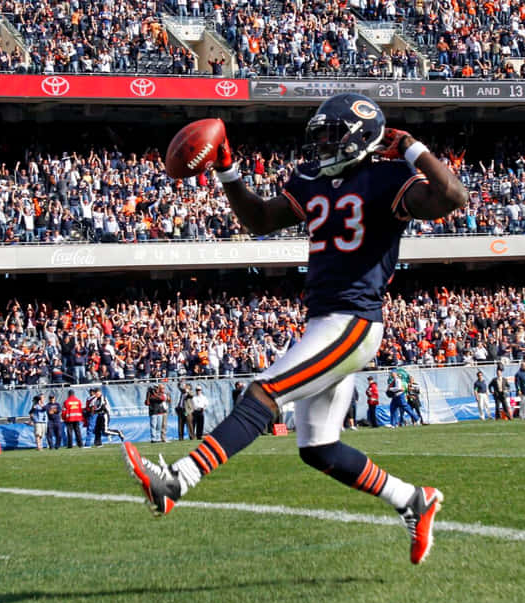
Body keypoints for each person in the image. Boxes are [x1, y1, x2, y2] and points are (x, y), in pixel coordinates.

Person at [123, 92, 467, 564]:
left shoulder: (389, 176)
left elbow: (453, 196)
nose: (323, 146)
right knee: (318, 448)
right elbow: (260, 219)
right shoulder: (311, 178)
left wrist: (409, 145)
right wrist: (227, 170)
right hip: (323, 321)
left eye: (333, 137)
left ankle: (177, 481)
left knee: (265, 395)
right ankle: (412, 500)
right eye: (321, 137)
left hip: (353, 321)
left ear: (363, 137)